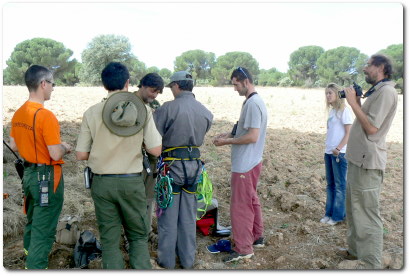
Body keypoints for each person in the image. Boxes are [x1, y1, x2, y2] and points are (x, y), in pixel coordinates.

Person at [75, 62, 162, 269]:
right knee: (138, 238)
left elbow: (81, 154)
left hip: (102, 184)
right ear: (127, 82)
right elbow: (156, 150)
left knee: (110, 241)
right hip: (132, 183)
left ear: (104, 84)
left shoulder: (92, 112)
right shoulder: (143, 111)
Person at [9, 65, 72, 269]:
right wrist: (65, 147)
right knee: (44, 230)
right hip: (46, 176)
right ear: (43, 84)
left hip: (28, 175)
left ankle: (29, 254)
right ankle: (35, 266)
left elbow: (13, 146)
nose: (53, 88)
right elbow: (54, 153)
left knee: (33, 219)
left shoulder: (19, 113)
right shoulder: (46, 116)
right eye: (52, 84)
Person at [341, 54, 398, 269]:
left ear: (381, 67)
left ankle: (371, 264)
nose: (365, 69)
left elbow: (372, 128)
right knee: (355, 210)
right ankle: (355, 253)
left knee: (367, 214)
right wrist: (359, 102)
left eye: (368, 65)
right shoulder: (378, 91)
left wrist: (353, 104)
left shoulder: (387, 92)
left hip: (368, 163)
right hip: (358, 161)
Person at [154, 71, 213, 269]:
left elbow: (154, 136)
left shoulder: (167, 109)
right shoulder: (204, 111)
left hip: (171, 170)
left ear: (177, 86)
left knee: (168, 219)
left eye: (171, 87)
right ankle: (188, 263)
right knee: (188, 218)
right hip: (194, 169)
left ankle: (167, 264)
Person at [213, 67, 267, 263]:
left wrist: (227, 142)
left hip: (245, 165)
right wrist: (229, 134)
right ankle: (256, 236)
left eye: (235, 84)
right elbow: (244, 129)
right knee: (251, 201)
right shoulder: (252, 102)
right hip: (252, 162)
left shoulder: (253, 104)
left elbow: (252, 136)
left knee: (241, 206)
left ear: (245, 81)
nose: (234, 88)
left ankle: (244, 248)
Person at [133, 72, 164, 242]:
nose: (154, 95)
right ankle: (136, 236)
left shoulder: (154, 105)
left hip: (151, 162)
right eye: (153, 91)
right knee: (135, 201)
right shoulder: (130, 104)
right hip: (134, 161)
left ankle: (145, 231)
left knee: (148, 199)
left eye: (158, 92)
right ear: (142, 85)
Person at [320, 83, 353, 226]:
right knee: (330, 185)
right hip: (328, 152)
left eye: (330, 93)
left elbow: (348, 133)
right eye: (326, 93)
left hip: (339, 153)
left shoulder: (344, 111)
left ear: (338, 95)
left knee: (340, 185)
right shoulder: (332, 111)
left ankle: (338, 216)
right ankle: (329, 213)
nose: (328, 96)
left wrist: (338, 149)